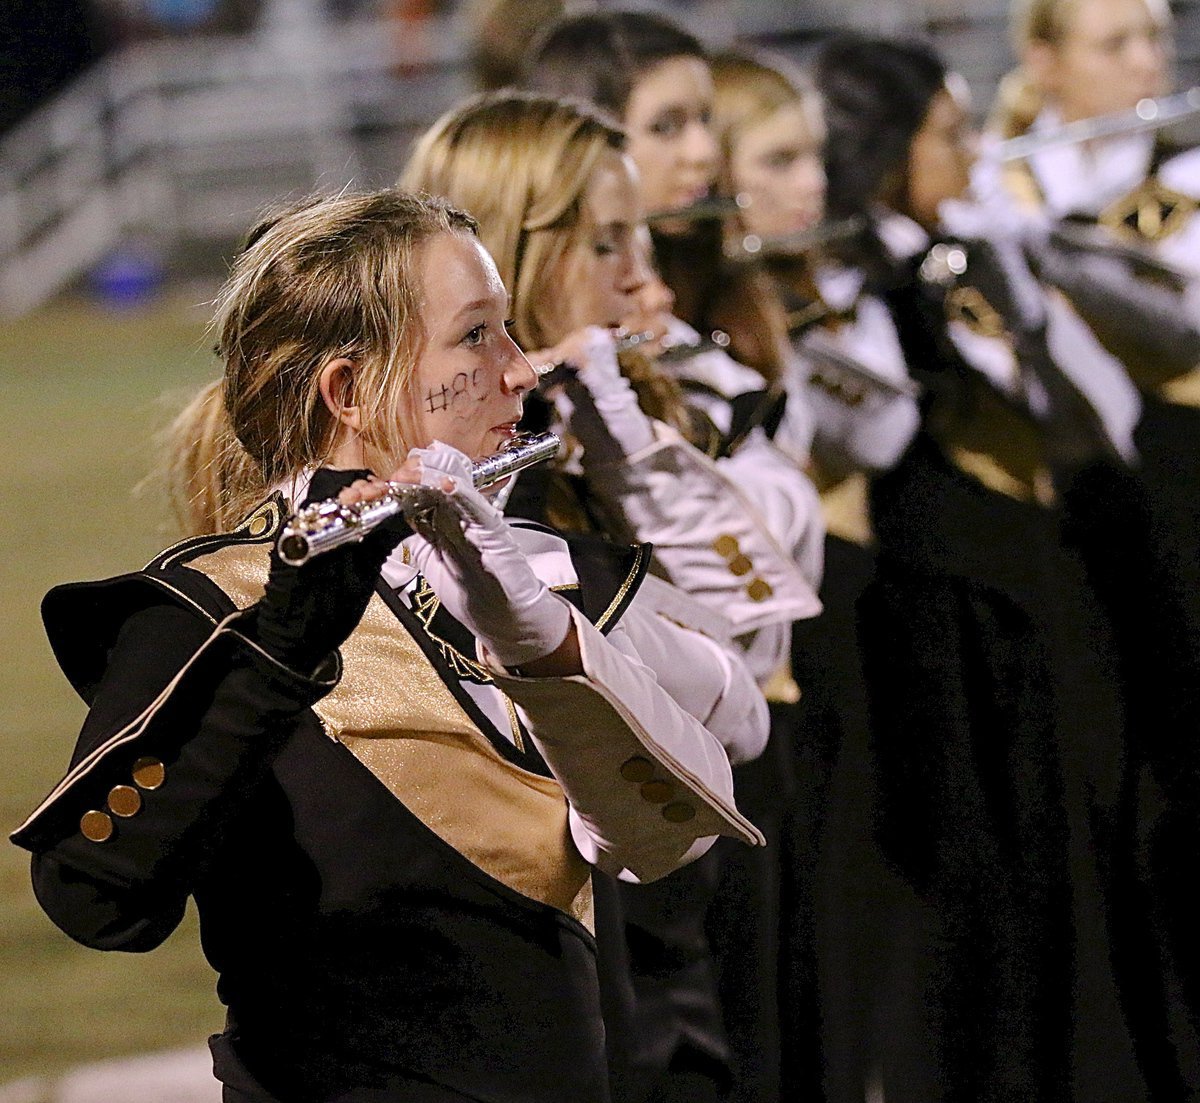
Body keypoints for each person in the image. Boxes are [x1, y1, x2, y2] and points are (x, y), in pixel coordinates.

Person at [10, 188, 770, 1103]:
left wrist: (541, 631)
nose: (522, 371)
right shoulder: (211, 610)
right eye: (476, 336)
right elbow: (95, 896)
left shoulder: (527, 569)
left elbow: (690, 805)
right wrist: (277, 657)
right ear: (348, 391)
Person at [400, 87, 825, 1103]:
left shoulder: (630, 404)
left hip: (677, 893)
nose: (642, 275)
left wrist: (630, 435)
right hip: (555, 942)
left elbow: (760, 639)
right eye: (606, 244)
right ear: (509, 253)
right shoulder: (441, 469)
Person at [815, 31, 1170, 1103]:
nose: (972, 148)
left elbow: (1101, 416)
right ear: (883, 148)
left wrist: (1017, 281)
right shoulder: (843, 279)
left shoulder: (968, 247)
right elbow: (870, 440)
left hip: (1027, 603)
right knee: (978, 892)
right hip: (934, 626)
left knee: (1076, 854)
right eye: (947, 131)